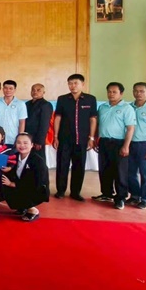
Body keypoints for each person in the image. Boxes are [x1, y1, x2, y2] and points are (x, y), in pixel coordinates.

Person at [52, 74, 98, 202]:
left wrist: (91, 138)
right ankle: (61, 190)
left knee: (79, 166)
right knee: (62, 165)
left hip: (82, 140)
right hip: (64, 139)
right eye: (70, 83)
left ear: (82, 84)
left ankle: (75, 192)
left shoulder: (90, 99)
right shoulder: (62, 99)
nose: (73, 86)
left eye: (75, 83)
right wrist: (55, 136)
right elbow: (58, 118)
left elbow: (93, 119)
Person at [92, 82, 136, 210]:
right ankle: (106, 193)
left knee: (120, 172)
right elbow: (98, 124)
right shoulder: (103, 107)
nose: (111, 94)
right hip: (104, 142)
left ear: (121, 93)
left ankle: (120, 198)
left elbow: (130, 128)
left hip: (119, 143)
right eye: (109, 92)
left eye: (114, 92)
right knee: (104, 169)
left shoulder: (127, 108)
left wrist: (126, 146)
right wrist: (95, 138)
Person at [1, 133, 50, 222]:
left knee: (23, 188)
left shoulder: (38, 161)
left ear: (32, 145)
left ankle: (32, 209)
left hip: (36, 189)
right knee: (2, 181)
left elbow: (37, 182)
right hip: (21, 186)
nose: (22, 145)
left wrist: (12, 184)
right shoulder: (14, 156)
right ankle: (22, 206)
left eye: (25, 143)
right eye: (19, 142)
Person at [127, 82, 146, 209]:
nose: (138, 93)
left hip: (145, 144)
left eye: (142, 91)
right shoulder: (129, 107)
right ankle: (134, 196)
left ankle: (145, 198)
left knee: (145, 173)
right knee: (130, 172)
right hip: (130, 143)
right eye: (136, 91)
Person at [0, 80, 27, 147]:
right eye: (6, 88)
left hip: (13, 138)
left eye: (10, 88)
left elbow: (22, 122)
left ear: (15, 90)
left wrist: (20, 138)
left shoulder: (20, 104)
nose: (8, 90)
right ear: (2, 89)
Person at [25, 83, 54, 164]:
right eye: (33, 90)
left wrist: (39, 141)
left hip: (37, 138)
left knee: (38, 160)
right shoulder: (27, 104)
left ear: (43, 92)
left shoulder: (46, 105)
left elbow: (44, 124)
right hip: (27, 137)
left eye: (38, 90)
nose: (35, 92)